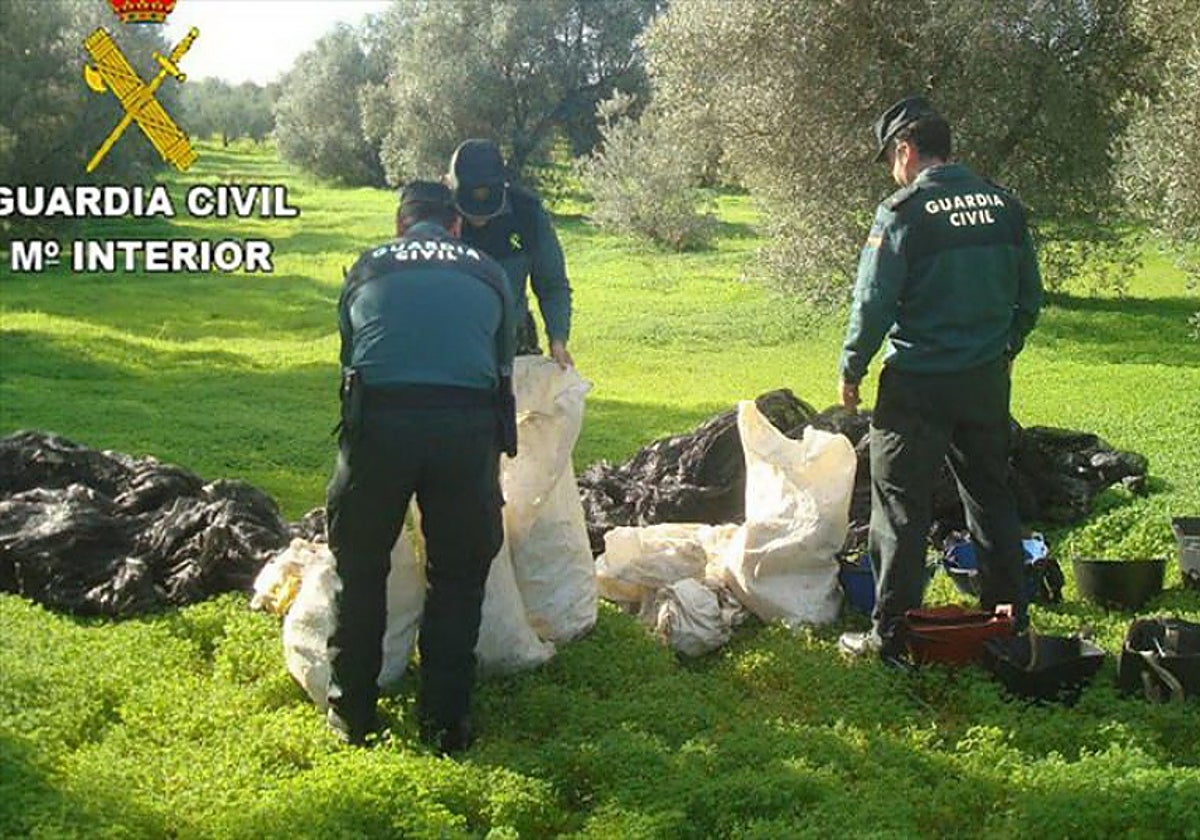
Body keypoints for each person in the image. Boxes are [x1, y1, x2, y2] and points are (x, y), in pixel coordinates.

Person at [837, 96, 1043, 665]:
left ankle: (891, 636)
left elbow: (873, 302)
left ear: (904, 151)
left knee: (901, 507)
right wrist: (1005, 348)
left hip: (918, 385)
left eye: (890, 159)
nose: (891, 171)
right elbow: (1030, 298)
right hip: (983, 380)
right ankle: (1007, 619)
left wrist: (852, 366)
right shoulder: (1004, 206)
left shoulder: (903, 213)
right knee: (990, 495)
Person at [324, 180, 517, 753]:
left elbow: (349, 356)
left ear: (400, 225)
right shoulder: (487, 272)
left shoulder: (367, 267)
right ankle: (445, 723)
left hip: (379, 427)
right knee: (458, 576)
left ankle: (352, 713)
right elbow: (501, 362)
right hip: (465, 431)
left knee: (359, 567)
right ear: (455, 224)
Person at [446, 138, 574, 368]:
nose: (479, 219)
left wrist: (557, 338)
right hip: (453, 342)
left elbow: (552, 285)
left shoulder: (527, 214)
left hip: (514, 340)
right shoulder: (437, 215)